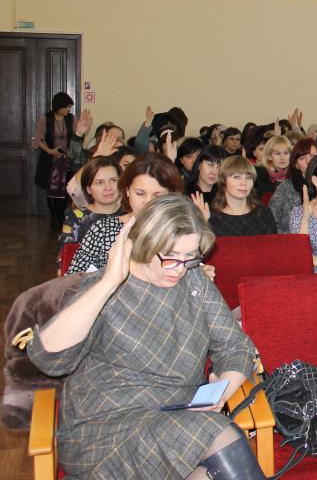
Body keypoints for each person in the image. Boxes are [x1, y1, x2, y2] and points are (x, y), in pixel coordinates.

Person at [26, 194, 263, 479]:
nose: (180, 268)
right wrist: (109, 282)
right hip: (104, 429)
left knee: (214, 459)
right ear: (144, 243)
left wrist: (223, 388)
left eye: (190, 256)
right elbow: (49, 359)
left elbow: (235, 345)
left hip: (176, 416)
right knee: (219, 434)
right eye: (170, 256)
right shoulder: (102, 288)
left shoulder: (194, 281)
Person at [69, 152, 186, 274]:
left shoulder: (181, 231)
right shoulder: (103, 230)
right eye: (140, 193)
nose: (148, 202)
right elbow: (73, 279)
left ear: (171, 195)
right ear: (127, 191)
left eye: (158, 195)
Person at [56, 156, 122, 271]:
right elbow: (64, 263)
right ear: (88, 189)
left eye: (113, 180)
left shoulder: (131, 214)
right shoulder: (77, 217)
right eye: (99, 182)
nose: (108, 187)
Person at [200, 156, 277, 236]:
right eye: (237, 177)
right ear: (223, 181)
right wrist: (203, 224)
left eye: (249, 178)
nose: (244, 183)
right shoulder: (210, 216)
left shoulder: (263, 213)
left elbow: (274, 243)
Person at [33, 92, 76, 229]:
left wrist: (70, 153)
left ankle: (61, 216)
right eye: (66, 107)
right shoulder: (45, 119)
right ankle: (54, 217)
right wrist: (49, 151)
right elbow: (38, 139)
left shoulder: (71, 119)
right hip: (49, 159)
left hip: (67, 160)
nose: (68, 109)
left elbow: (76, 138)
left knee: (65, 189)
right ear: (58, 106)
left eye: (70, 107)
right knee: (51, 189)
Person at [269, 138, 317, 234]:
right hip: (291, 239)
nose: (308, 161)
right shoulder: (285, 188)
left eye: (313, 156)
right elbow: (271, 221)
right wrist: (290, 238)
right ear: (296, 165)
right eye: (302, 158)